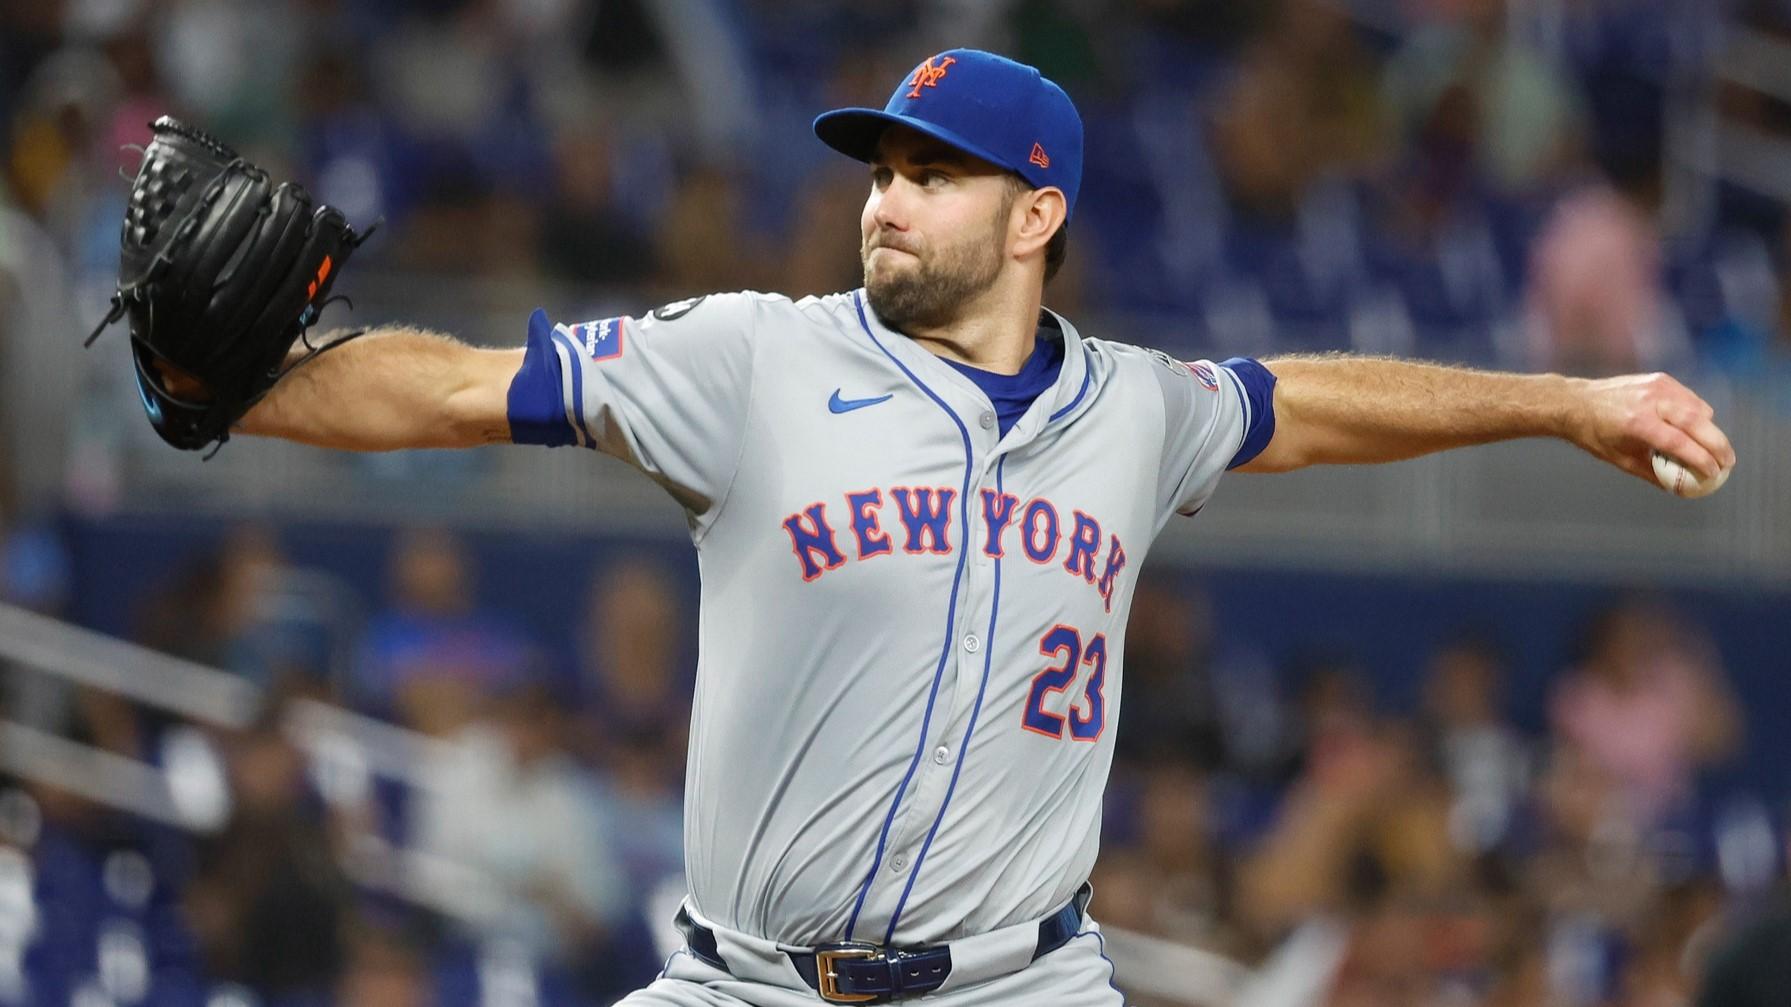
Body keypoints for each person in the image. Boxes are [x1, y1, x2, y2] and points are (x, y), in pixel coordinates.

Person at [175, 48, 1733, 1007]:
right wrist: (241, 388)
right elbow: (454, 385)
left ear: (1036, 215)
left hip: (1022, 986)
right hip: (746, 987)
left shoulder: (1136, 408)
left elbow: (1317, 401)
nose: (885, 200)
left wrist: (1561, 400)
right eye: (881, 170)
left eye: (934, 174)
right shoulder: (756, 359)